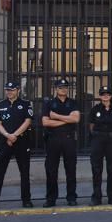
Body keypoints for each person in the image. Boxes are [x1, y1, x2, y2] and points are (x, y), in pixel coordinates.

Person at [0, 81, 34, 210]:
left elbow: (28, 121)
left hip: (21, 142)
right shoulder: (0, 105)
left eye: (12, 90)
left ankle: (26, 200)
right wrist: (8, 136)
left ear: (18, 90)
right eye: (7, 90)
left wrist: (14, 135)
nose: (9, 92)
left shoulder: (25, 104)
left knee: (24, 173)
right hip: (5, 142)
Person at [42, 78, 80, 207]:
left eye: (65, 87)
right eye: (60, 87)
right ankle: (51, 198)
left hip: (69, 139)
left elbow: (76, 118)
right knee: (51, 170)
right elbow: (45, 122)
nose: (63, 89)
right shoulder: (49, 103)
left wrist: (56, 116)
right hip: (53, 139)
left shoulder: (73, 103)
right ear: (55, 89)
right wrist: (67, 120)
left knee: (71, 169)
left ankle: (71, 197)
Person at [88, 86, 112, 206]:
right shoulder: (95, 109)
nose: (105, 96)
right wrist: (98, 136)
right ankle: (96, 197)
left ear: (111, 96)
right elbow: (91, 126)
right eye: (103, 94)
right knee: (96, 169)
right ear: (100, 96)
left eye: (108, 94)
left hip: (111, 140)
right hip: (97, 139)